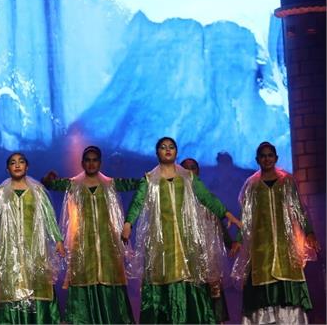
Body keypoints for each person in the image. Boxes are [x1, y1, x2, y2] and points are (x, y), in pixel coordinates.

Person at [122, 137, 242, 324]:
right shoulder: (149, 179)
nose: (167, 150)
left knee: (189, 279)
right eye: (163, 147)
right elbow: (137, 202)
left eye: (171, 147)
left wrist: (226, 214)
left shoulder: (188, 177)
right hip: (161, 243)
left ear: (176, 152)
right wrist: (128, 223)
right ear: (157, 152)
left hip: (187, 241)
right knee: (162, 280)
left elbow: (206, 197)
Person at [42, 146, 138, 324]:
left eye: (95, 160)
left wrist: (150, 179)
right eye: (88, 160)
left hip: (107, 243)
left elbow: (135, 184)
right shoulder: (73, 184)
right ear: (82, 163)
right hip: (83, 242)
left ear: (100, 163)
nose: (91, 163)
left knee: (109, 278)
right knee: (83, 278)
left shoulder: (110, 184)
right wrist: (48, 179)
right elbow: (51, 184)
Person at [230, 141, 320, 324]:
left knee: (286, 283)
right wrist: (238, 239)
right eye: (263, 156)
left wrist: (309, 232)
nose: (267, 159)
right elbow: (245, 216)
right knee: (261, 284)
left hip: (285, 245)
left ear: (276, 158)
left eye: (270, 155)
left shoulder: (287, 181)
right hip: (261, 247)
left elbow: (298, 209)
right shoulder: (252, 185)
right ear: (257, 159)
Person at [0, 152, 64, 324]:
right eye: (13, 162)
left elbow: (49, 216)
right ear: (7, 168)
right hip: (8, 249)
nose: (17, 165)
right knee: (10, 285)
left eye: (21, 162)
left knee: (36, 284)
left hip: (34, 248)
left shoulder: (37, 191)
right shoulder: (0, 192)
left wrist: (58, 240)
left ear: (27, 167)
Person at [180, 157, 236, 323]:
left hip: (208, 256)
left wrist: (230, 242)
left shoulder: (207, 198)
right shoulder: (176, 199)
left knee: (212, 293)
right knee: (191, 294)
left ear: (198, 172)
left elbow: (218, 222)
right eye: (186, 168)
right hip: (186, 257)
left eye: (193, 167)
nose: (190, 171)